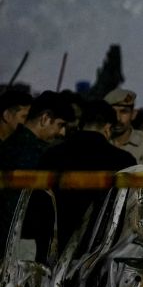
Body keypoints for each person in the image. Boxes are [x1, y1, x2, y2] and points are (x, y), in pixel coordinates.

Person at [38, 100, 136, 242]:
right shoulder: (124, 161)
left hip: (53, 245)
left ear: (80, 126)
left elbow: (39, 205)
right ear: (108, 128)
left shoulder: (51, 155)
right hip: (102, 249)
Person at [0, 91, 76, 243]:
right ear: (45, 118)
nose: (62, 132)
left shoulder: (7, 146)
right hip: (19, 242)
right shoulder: (40, 155)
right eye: (60, 125)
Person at [105, 89, 143, 165]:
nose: (118, 118)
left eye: (124, 112)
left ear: (133, 114)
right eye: (113, 112)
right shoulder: (99, 143)